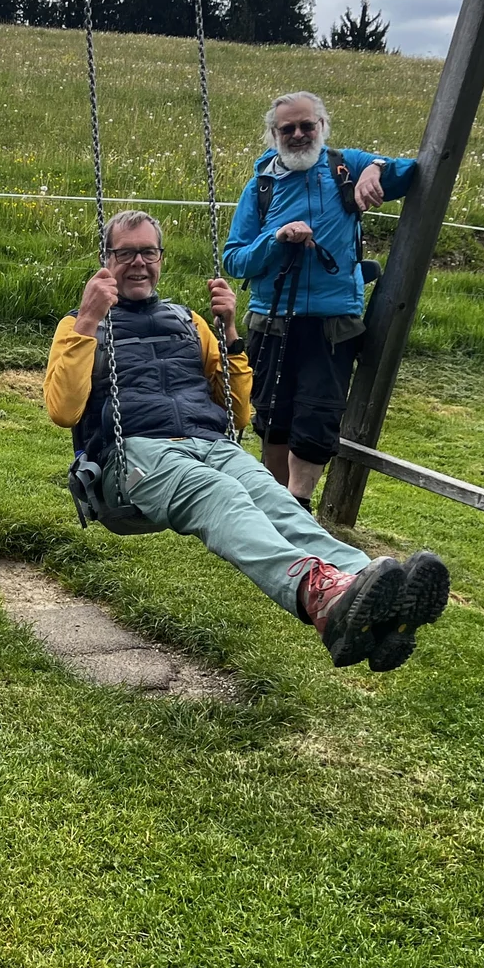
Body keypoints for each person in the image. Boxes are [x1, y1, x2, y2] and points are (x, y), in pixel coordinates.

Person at [45, 209, 448, 670]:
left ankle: (369, 588)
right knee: (223, 495)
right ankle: (318, 595)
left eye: (149, 251)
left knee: (273, 499)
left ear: (161, 258)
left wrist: (232, 332)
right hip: (136, 457)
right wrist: (91, 319)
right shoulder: (79, 324)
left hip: (210, 443)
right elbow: (63, 409)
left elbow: (237, 413)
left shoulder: (189, 321)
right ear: (107, 258)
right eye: (126, 252)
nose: (139, 262)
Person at [223, 90, 419, 512]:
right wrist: (275, 239)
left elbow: (413, 172)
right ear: (273, 135)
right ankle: (274, 509)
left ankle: (299, 509)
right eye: (287, 128)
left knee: (317, 418)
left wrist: (378, 169)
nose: (297, 134)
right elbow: (234, 259)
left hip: (333, 324)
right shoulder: (260, 187)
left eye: (306, 126)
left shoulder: (347, 166)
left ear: (322, 128)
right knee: (274, 419)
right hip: (272, 320)